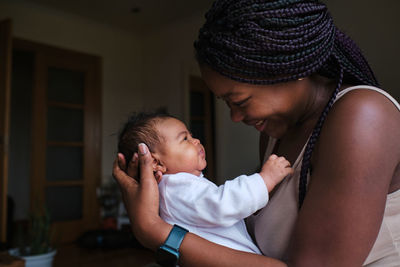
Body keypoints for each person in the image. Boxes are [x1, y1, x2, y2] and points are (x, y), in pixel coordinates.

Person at [113, 0, 400, 266]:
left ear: (291, 67)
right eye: (226, 103)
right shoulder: (275, 135)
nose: (235, 117)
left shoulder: (363, 116)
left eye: (240, 101)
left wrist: (156, 232)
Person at [117, 112, 293, 254]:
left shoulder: (176, 188)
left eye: (191, 135)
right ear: (157, 163)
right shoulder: (175, 188)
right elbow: (222, 204)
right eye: (184, 139)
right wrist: (265, 179)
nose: (196, 140)